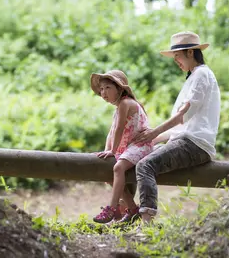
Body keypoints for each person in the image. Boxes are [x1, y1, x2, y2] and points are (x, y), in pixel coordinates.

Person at [132, 31, 221, 224]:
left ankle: (146, 224)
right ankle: (128, 211)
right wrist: (151, 139)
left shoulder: (202, 75)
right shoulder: (194, 77)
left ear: (190, 52)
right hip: (187, 141)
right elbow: (184, 125)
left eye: (177, 56)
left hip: (195, 145)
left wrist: (154, 132)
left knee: (145, 165)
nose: (176, 62)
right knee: (136, 158)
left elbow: (181, 117)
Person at [90, 70, 154, 224]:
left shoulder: (125, 103)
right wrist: (107, 151)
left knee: (118, 168)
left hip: (141, 146)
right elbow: (112, 133)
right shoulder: (120, 106)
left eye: (108, 88)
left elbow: (119, 129)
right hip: (129, 147)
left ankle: (111, 208)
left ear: (119, 88)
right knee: (109, 174)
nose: (103, 92)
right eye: (102, 89)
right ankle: (132, 208)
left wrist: (113, 151)